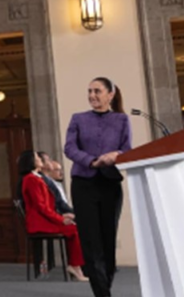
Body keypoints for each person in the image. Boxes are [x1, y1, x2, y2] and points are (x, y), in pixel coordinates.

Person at [64, 77, 132, 297]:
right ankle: (102, 293)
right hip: (83, 184)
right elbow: (69, 148)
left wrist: (116, 155)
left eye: (97, 91)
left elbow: (127, 149)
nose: (92, 95)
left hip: (110, 184)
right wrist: (92, 161)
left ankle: (105, 288)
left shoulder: (122, 119)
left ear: (110, 94)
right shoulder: (78, 118)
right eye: (89, 91)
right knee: (90, 240)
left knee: (107, 239)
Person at [18, 149, 87, 281]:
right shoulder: (31, 179)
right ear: (31, 161)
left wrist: (63, 217)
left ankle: (76, 266)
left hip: (44, 219)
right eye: (37, 157)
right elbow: (41, 207)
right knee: (74, 229)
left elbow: (47, 206)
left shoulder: (36, 178)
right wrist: (61, 219)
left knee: (74, 228)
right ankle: (75, 266)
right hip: (38, 222)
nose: (40, 159)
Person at [38, 151, 74, 217]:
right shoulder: (42, 180)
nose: (51, 162)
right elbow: (58, 203)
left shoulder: (48, 180)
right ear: (41, 164)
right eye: (48, 160)